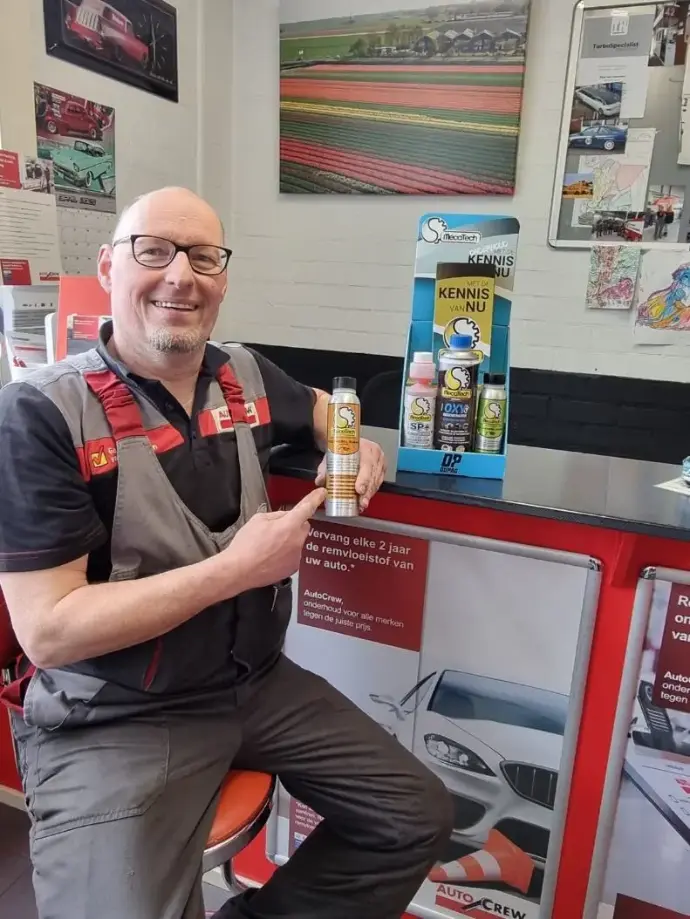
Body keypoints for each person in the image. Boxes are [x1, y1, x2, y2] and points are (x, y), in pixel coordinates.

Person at [0, 187, 452, 919]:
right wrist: (235, 570)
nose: (181, 276)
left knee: (413, 816)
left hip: (254, 684)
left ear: (223, 279)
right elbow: (48, 631)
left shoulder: (244, 373)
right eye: (154, 251)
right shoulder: (40, 414)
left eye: (203, 257)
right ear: (108, 266)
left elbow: (325, 403)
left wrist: (352, 438)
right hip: (115, 713)